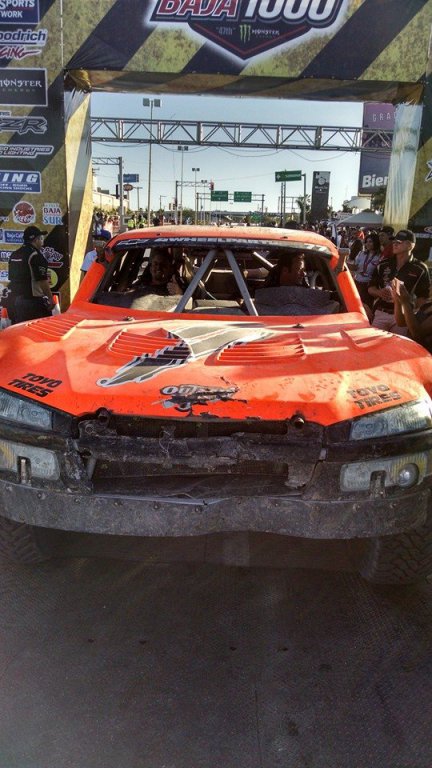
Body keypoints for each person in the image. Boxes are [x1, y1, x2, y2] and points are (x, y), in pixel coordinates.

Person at [368, 229, 430, 334]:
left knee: (398, 344)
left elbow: (423, 297)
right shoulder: (383, 264)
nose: (395, 244)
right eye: (394, 242)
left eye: (399, 242)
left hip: (404, 317)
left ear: (410, 245)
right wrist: (379, 292)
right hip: (381, 313)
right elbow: (370, 288)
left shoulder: (420, 269)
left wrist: (410, 308)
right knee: (374, 343)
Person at [8, 225, 54, 323]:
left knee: (20, 329)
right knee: (39, 329)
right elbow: (42, 280)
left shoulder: (14, 254)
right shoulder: (36, 255)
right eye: (41, 238)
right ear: (36, 240)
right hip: (33, 302)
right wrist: (50, 298)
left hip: (16, 301)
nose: (42, 240)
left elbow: (11, 278)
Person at [391, 277, 432, 353]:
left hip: (424, 356)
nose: (429, 287)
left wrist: (405, 302)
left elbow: (417, 334)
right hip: (411, 351)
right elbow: (401, 322)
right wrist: (398, 300)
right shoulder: (427, 305)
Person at [352, 232, 381, 308]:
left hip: (368, 286)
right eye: (366, 242)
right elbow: (355, 267)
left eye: (370, 242)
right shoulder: (361, 253)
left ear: (376, 242)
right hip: (357, 283)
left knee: (366, 308)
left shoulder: (380, 256)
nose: (367, 244)